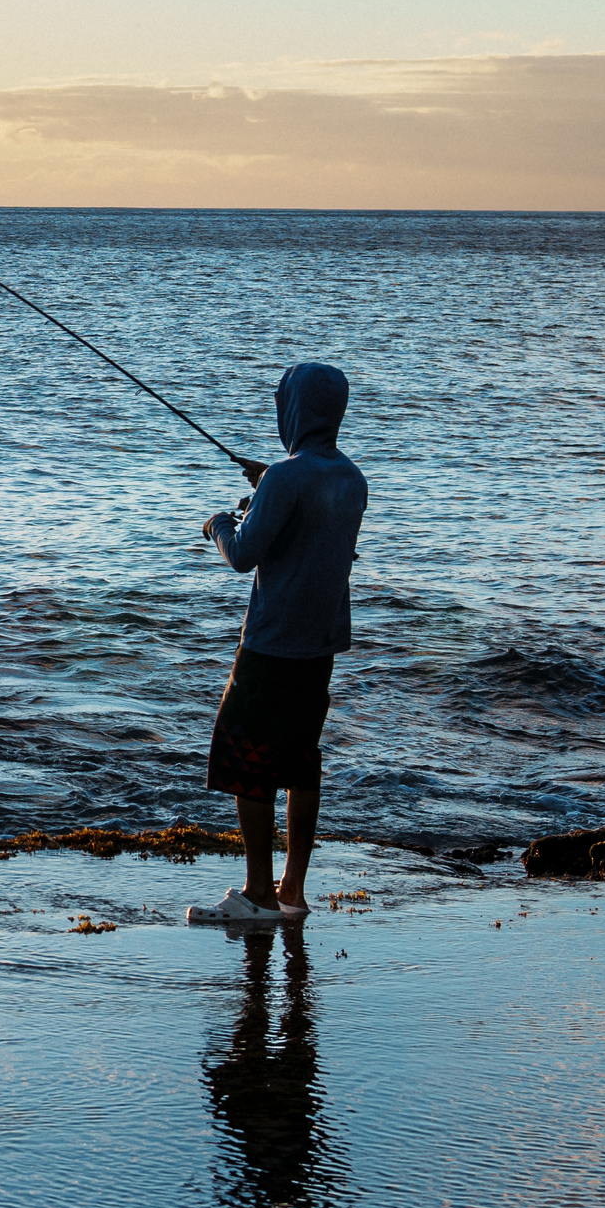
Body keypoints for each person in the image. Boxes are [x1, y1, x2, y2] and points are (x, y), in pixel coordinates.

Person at [190, 362, 367, 926]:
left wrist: (219, 522)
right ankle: (293, 893)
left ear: (291, 409)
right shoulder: (351, 479)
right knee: (301, 762)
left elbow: (243, 554)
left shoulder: (285, 480)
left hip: (271, 646)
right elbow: (318, 531)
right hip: (320, 647)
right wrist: (269, 484)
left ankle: (257, 893)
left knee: (250, 760)